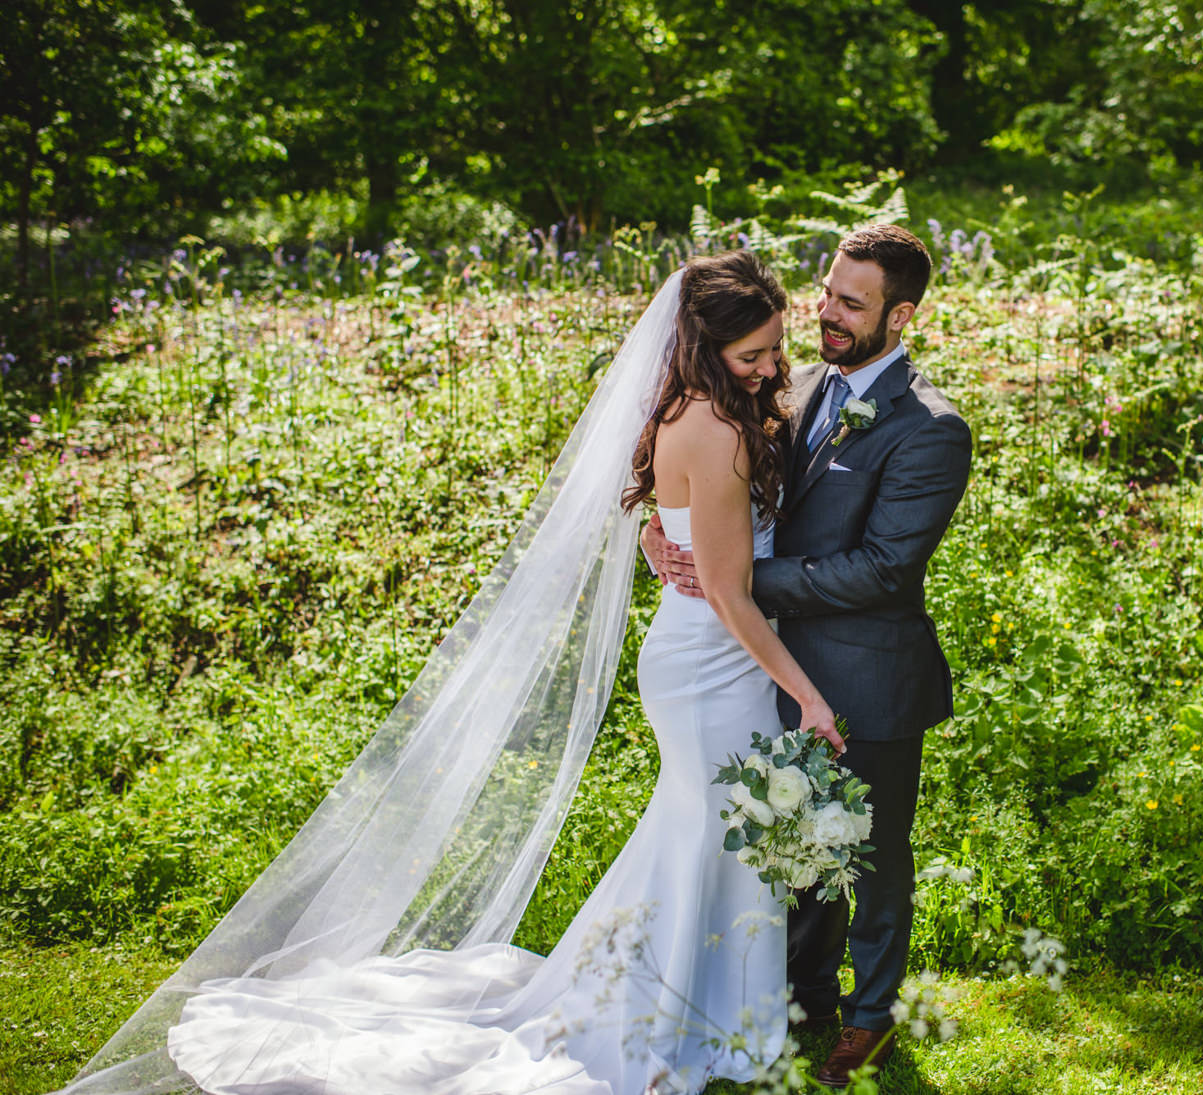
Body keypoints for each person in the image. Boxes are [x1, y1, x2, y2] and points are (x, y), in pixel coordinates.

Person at [59, 252, 838, 1095]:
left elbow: (671, 518)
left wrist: (661, 537)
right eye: (751, 355)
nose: (769, 370)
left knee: (705, 834)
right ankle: (687, 1016)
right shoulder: (717, 430)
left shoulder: (687, 406)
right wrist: (806, 692)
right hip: (712, 660)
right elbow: (727, 589)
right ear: (701, 344)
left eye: (774, 350)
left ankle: (707, 1008)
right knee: (709, 833)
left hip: (704, 655)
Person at [645, 223, 972, 1086]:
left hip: (867, 671)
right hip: (768, 665)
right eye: (827, 293)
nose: (826, 314)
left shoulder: (932, 429)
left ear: (900, 316)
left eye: (851, 304)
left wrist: (738, 577)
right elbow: (708, 485)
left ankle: (871, 1016)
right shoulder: (803, 391)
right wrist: (662, 537)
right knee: (798, 843)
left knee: (870, 849)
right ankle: (804, 990)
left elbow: (882, 567)